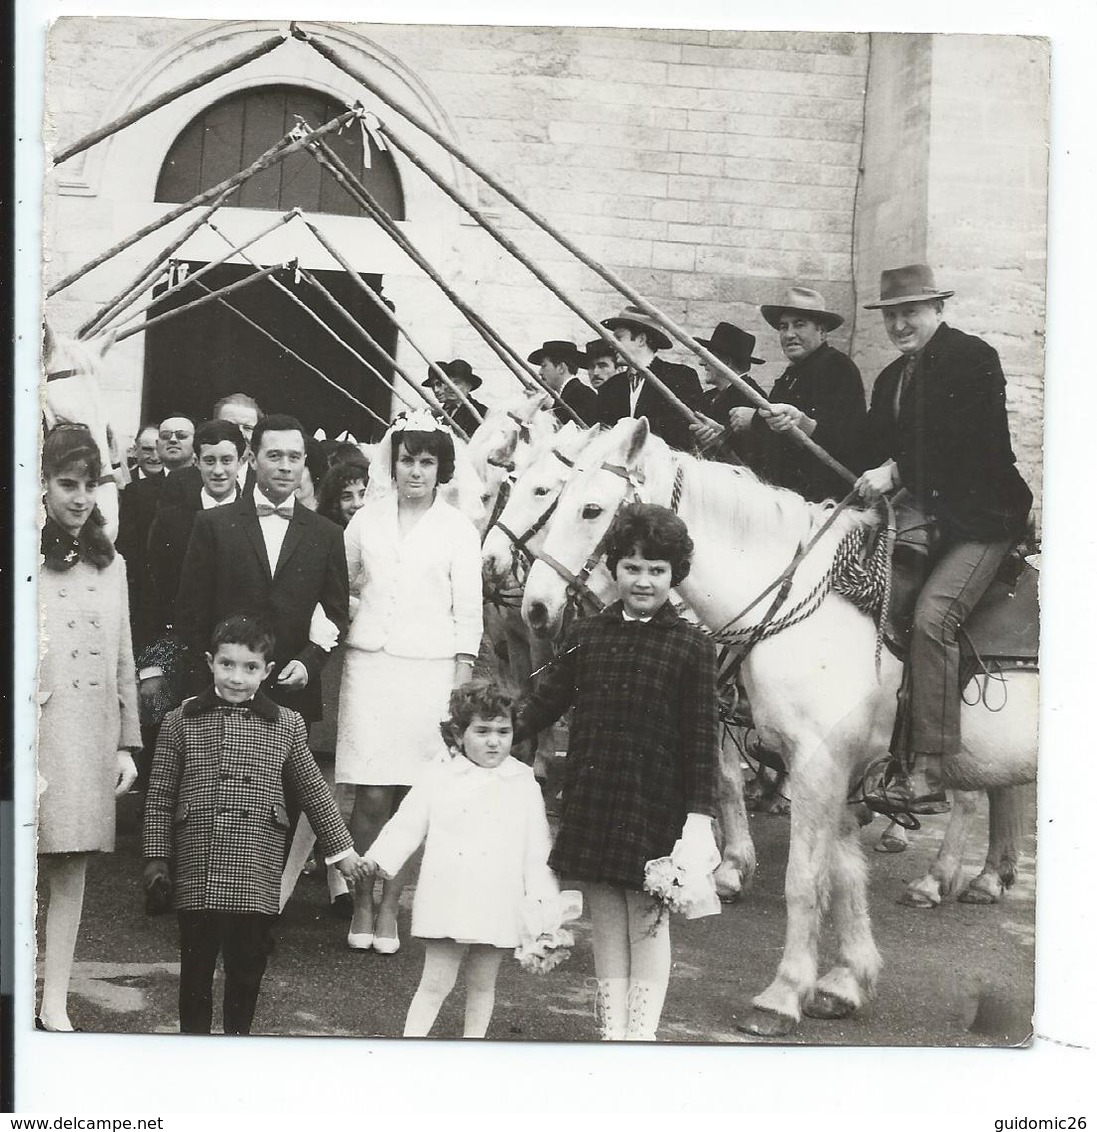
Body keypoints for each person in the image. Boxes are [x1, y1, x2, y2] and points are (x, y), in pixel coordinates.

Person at [514, 503, 720, 1041]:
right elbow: (542, 701)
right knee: (606, 919)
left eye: (657, 569)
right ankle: (613, 1033)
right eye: (632, 567)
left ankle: (641, 1036)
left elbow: (702, 741)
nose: (644, 580)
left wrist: (699, 818)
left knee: (648, 920)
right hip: (596, 797)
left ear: (675, 575)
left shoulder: (693, 645)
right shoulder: (587, 633)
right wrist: (484, 733)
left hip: (656, 806)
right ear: (612, 570)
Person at [855, 265, 1033, 816]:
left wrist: (899, 471)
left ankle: (928, 768)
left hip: (984, 519)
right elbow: (866, 444)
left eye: (910, 311)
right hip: (927, 523)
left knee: (934, 617)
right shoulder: (891, 378)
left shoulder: (972, 357)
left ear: (937, 310)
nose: (900, 323)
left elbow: (966, 438)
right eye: (891, 314)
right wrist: (800, 428)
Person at [143, 613, 369, 1035]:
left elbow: (316, 793)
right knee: (195, 972)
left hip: (257, 865)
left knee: (247, 971)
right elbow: (159, 797)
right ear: (210, 662)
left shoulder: (286, 724)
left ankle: (237, 1046)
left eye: (249, 668)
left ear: (266, 672)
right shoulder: (180, 720)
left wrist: (343, 854)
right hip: (199, 865)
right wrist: (157, 859)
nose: (236, 677)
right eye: (227, 664)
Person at [335, 412, 483, 955]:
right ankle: (360, 902)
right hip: (371, 666)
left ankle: (391, 903)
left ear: (441, 469)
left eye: (426, 462)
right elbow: (341, 584)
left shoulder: (457, 529)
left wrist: (459, 688)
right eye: (406, 460)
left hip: (431, 673)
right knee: (371, 793)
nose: (415, 472)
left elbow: (469, 612)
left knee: (412, 797)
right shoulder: (365, 521)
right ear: (391, 463)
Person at [363, 679, 559, 1038]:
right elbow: (407, 824)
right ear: (458, 733)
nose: (494, 741)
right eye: (482, 731)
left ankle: (472, 1051)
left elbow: (537, 853)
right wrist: (377, 860)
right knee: (436, 982)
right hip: (448, 896)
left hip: (499, 900)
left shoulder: (523, 782)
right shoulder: (439, 774)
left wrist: (545, 911)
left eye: (503, 731)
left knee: (483, 985)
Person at [36, 424, 141, 1030]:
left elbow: (123, 654)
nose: (78, 498)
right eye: (65, 484)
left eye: (88, 485)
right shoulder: (26, 554)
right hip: (35, 733)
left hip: (87, 734)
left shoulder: (113, 563)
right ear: (42, 484)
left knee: (71, 866)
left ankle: (55, 998)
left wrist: (127, 742)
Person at [174, 413, 349, 726]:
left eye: (294, 457)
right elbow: (191, 612)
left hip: (291, 695)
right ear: (252, 460)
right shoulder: (213, 525)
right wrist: (210, 681)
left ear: (305, 462)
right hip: (221, 694)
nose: (285, 466)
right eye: (274, 455)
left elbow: (336, 611)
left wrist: (309, 664)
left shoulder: (327, 534)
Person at [279, 457, 371, 921]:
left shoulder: (375, 537)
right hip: (330, 663)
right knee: (322, 774)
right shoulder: (327, 538)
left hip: (367, 664)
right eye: (346, 496)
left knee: (342, 783)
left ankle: (337, 879)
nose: (355, 505)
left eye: (363, 494)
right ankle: (283, 889)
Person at [135, 420, 247, 785]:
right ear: (196, 461)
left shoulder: (253, 514)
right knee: (166, 743)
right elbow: (149, 588)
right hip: (177, 645)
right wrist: (150, 661)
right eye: (209, 460)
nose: (218, 470)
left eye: (227, 460)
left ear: (241, 461)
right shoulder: (171, 518)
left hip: (235, 650)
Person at [746, 286, 865, 501]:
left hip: (822, 503)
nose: (789, 334)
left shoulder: (837, 368)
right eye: (783, 327)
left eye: (799, 325)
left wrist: (802, 422)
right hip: (785, 497)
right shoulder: (791, 375)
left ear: (822, 331)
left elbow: (847, 443)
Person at [117, 413, 196, 650]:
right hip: (150, 604)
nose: (173, 440)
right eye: (165, 436)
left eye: (181, 436)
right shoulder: (136, 492)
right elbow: (128, 551)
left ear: (195, 444)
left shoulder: (209, 488)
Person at [596, 306, 706, 452]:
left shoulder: (680, 377)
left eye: (619, 338)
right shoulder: (610, 387)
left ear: (641, 340)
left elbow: (684, 433)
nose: (612, 344)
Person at [686, 321, 767, 464]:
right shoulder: (709, 396)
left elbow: (754, 456)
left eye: (708, 357)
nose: (701, 363)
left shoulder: (753, 398)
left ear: (727, 362)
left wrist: (721, 436)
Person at [527, 339, 598, 425]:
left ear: (561, 367)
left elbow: (567, 429)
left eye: (543, 366)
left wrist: (548, 406)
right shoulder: (572, 393)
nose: (540, 372)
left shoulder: (581, 395)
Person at [424, 359, 489, 438]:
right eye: (447, 382)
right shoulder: (440, 413)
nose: (450, 387)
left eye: (456, 383)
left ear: (469, 386)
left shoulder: (481, 413)